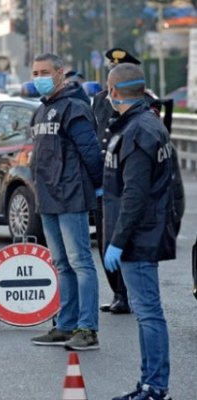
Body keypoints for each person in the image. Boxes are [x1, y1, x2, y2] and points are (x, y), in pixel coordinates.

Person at [104, 63, 175, 400]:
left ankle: (155, 387)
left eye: (108, 89)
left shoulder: (138, 130)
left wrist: (117, 241)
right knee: (147, 312)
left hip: (139, 234)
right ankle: (148, 384)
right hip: (144, 230)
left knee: (148, 313)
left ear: (115, 91)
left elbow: (135, 194)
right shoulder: (145, 123)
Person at [28, 53, 103, 351]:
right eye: (35, 72)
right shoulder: (41, 111)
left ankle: (88, 329)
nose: (39, 77)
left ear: (60, 73)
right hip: (47, 198)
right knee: (61, 264)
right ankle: (65, 325)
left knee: (81, 262)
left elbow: (91, 152)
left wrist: (96, 187)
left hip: (71, 196)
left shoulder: (74, 107)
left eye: (44, 71)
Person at [92, 48, 152, 314]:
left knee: (126, 237)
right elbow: (98, 134)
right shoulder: (99, 99)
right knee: (106, 240)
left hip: (128, 177)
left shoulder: (146, 102)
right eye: (110, 67)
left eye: (118, 67)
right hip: (105, 177)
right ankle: (118, 292)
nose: (111, 71)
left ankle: (130, 293)